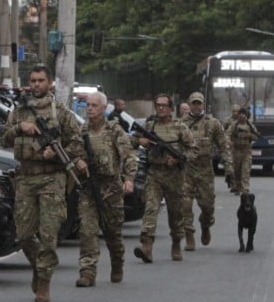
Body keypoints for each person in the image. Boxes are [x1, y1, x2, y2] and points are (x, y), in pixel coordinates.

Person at [0, 64, 84, 302]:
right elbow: (3, 139)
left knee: (49, 234)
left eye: (41, 80)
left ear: (50, 84)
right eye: (33, 80)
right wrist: (19, 128)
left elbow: (77, 144)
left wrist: (55, 154)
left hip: (52, 178)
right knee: (24, 234)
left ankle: (44, 281)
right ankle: (40, 265)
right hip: (26, 177)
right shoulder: (19, 112)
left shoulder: (62, 113)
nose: (36, 84)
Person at [74, 91, 137, 286]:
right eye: (88, 105)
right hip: (89, 188)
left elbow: (128, 155)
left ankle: (117, 261)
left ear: (103, 108)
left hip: (111, 188)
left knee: (113, 232)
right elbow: (72, 151)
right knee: (87, 230)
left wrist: (129, 179)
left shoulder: (114, 130)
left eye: (94, 105)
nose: (90, 109)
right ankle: (88, 271)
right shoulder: (82, 131)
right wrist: (78, 161)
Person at [132, 94, 196, 263]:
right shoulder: (149, 125)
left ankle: (176, 243)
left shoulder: (180, 127)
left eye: (163, 105)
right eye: (158, 105)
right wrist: (141, 140)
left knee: (175, 214)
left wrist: (177, 159)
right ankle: (147, 246)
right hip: (154, 174)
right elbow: (131, 140)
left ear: (170, 108)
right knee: (150, 208)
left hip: (175, 177)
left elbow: (193, 150)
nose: (160, 108)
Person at [180, 92, 234, 250]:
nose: (196, 106)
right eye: (194, 103)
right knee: (185, 204)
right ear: (189, 105)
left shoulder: (213, 123)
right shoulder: (181, 123)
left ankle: (205, 225)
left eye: (199, 103)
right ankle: (189, 235)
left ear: (203, 105)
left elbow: (224, 146)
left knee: (208, 206)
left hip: (205, 169)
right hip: (187, 169)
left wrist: (229, 168)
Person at [227, 108, 259, 194]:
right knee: (237, 170)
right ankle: (238, 187)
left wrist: (249, 135)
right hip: (236, 150)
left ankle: (245, 189)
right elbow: (228, 134)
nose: (242, 116)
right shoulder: (234, 125)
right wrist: (229, 142)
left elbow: (257, 136)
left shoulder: (250, 125)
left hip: (246, 151)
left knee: (245, 170)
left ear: (246, 115)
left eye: (243, 114)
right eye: (240, 114)